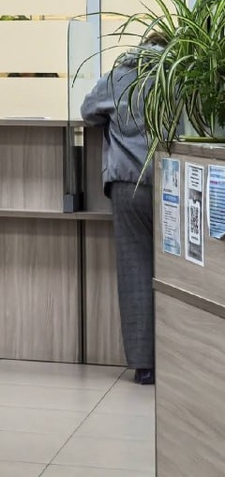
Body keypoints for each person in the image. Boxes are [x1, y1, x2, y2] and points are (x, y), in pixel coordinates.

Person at [80, 33, 165, 385]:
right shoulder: (177, 76)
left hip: (128, 183)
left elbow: (88, 111)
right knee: (178, 274)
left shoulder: (121, 74)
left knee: (135, 271)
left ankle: (145, 366)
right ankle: (179, 359)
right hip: (172, 183)